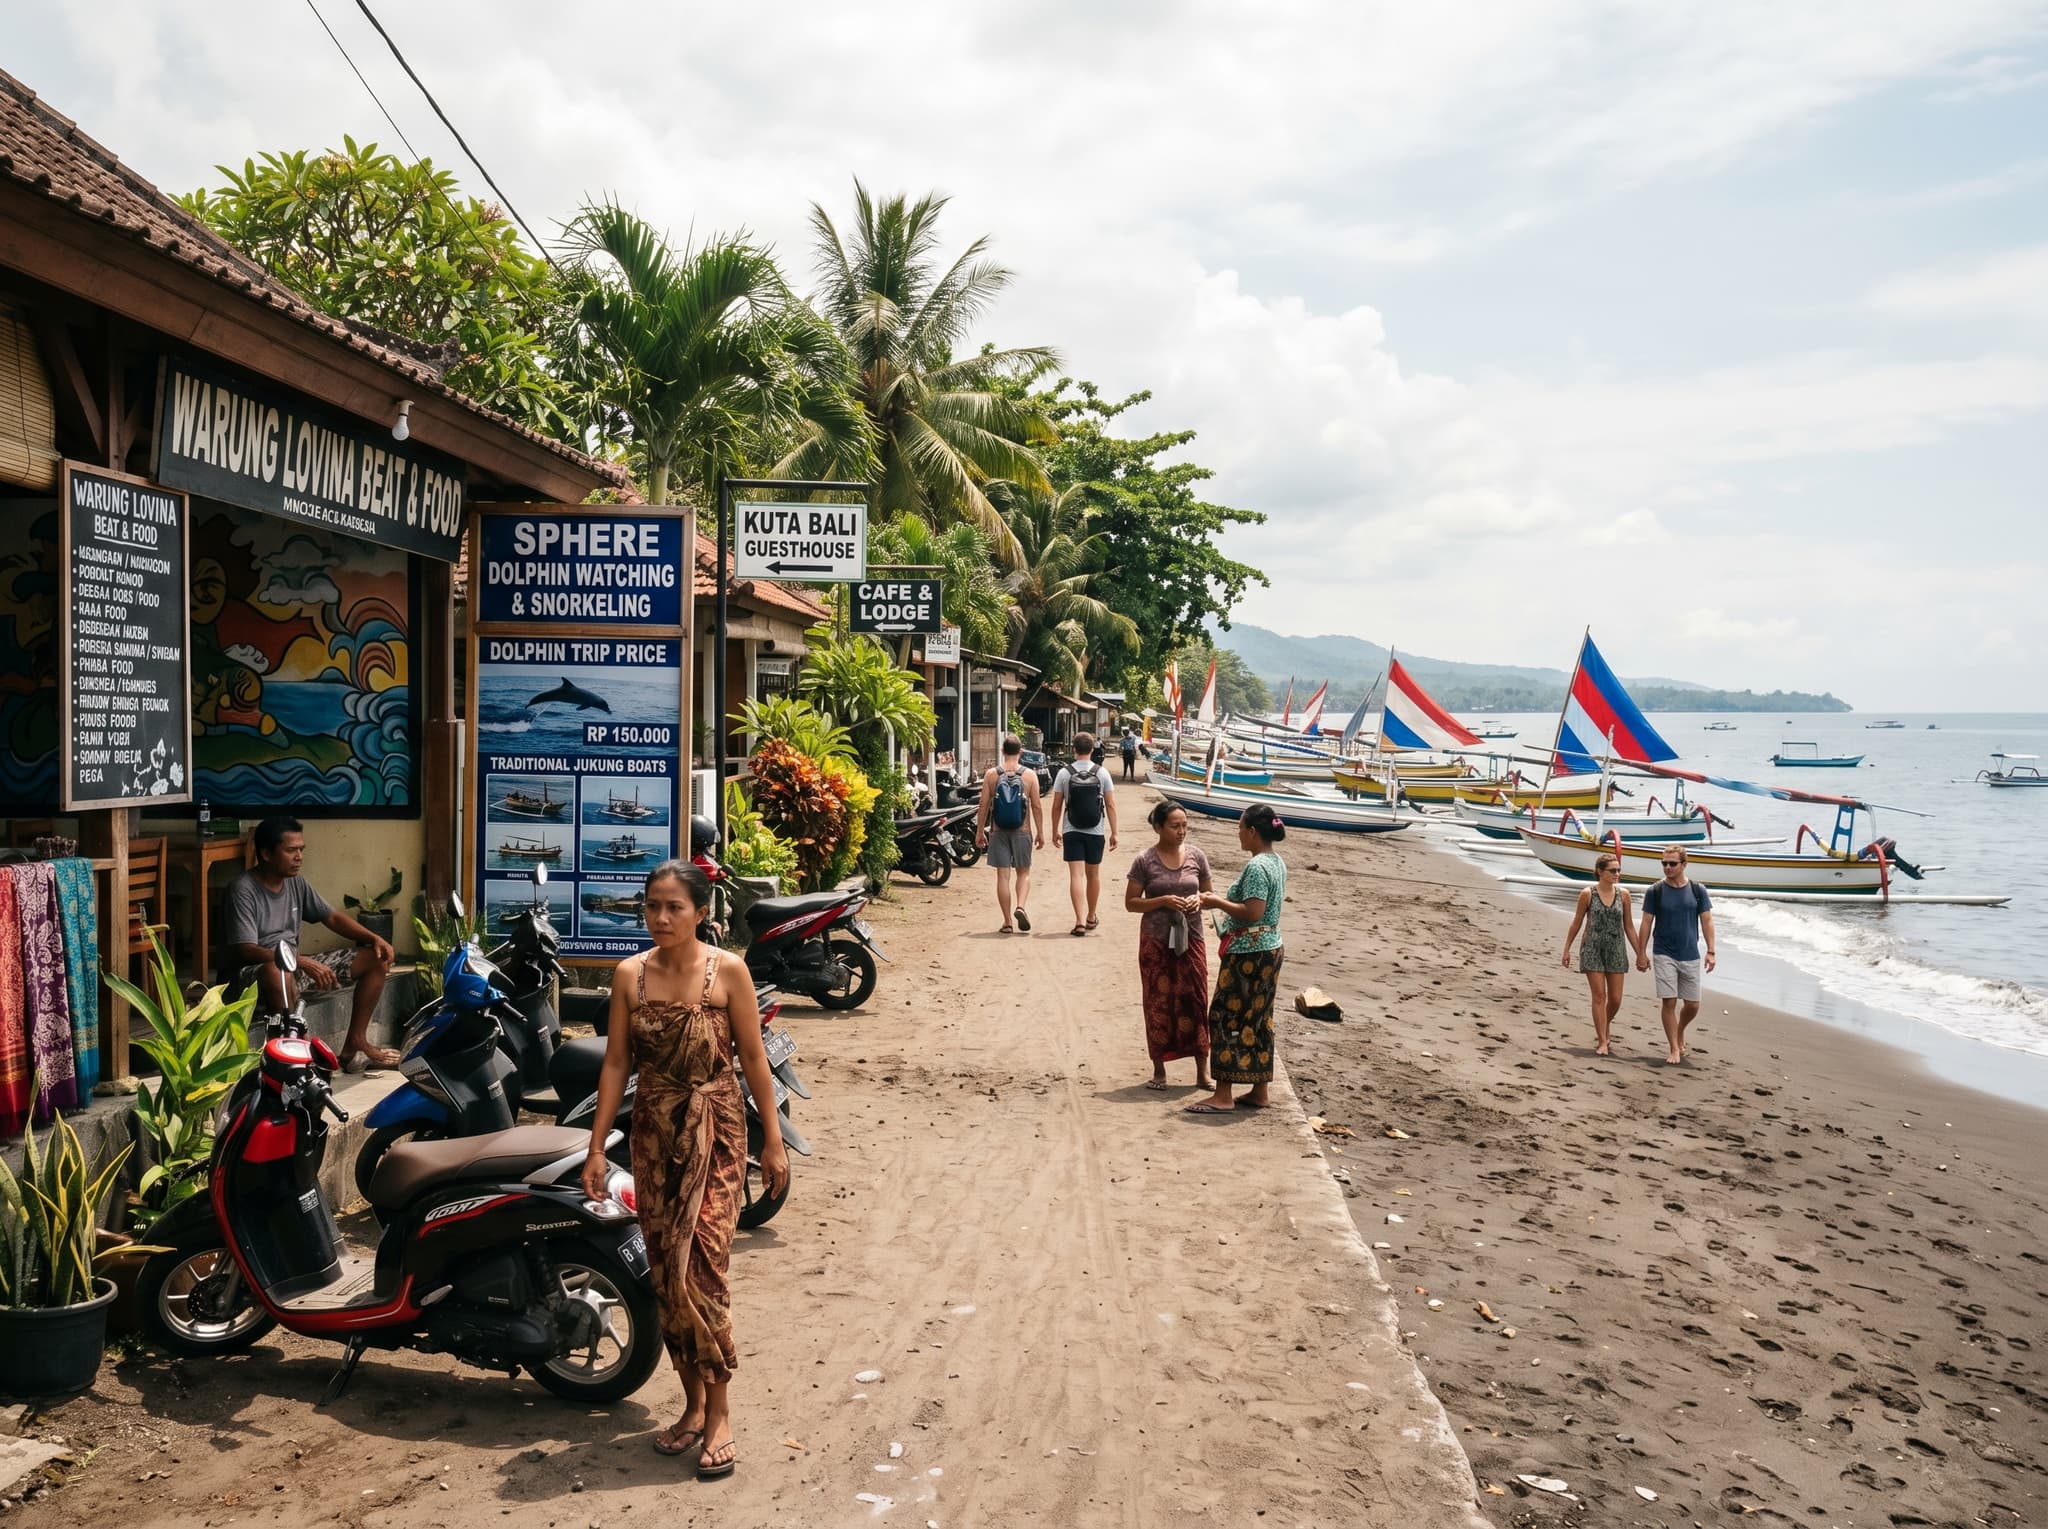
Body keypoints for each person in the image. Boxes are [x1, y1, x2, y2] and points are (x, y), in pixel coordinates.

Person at [581, 859, 789, 1479]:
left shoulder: (729, 971)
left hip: (718, 1129)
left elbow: (753, 1058)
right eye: (652, 906)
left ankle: (719, 1409)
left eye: (675, 907)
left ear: (701, 912)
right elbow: (616, 1064)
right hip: (654, 1135)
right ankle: (693, 1404)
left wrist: (772, 1143)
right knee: (666, 1270)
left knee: (702, 1265)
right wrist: (597, 1148)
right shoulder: (629, 976)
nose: (662, 918)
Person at [222, 816, 395, 1071]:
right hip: (253, 978)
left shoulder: (296, 883)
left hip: (293, 969)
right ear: (266, 853)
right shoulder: (243, 890)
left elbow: (332, 917)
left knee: (375, 959)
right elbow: (244, 949)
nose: (299, 856)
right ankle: (296, 1054)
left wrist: (374, 938)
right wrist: (298, 960)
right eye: (291, 850)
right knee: (276, 970)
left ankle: (354, 1044)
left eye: (302, 849)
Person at [1186, 803, 1288, 1114]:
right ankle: (1259, 1089)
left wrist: (1215, 901)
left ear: (1253, 832)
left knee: (1225, 1016)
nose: (1238, 832)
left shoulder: (1257, 867)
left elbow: (1253, 911)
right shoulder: (1276, 861)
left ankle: (1224, 1094)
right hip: (1270, 946)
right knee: (1258, 1018)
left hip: (1250, 952)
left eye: (1241, 827)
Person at [1125, 801, 1215, 1091]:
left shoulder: (1196, 857)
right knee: (1158, 1002)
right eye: (1175, 826)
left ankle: (1202, 1071)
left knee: (1197, 1000)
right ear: (1159, 827)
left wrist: (1198, 899)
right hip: (1155, 940)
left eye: (1184, 825)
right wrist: (1162, 901)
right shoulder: (1145, 861)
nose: (1181, 831)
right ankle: (1159, 1070)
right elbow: (1131, 903)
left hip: (1192, 938)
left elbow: (1209, 893)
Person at [1634, 845, 1717, 1065]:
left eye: (1672, 863)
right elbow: (1646, 922)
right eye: (1664, 863)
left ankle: (1680, 1031)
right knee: (1669, 1002)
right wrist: (1641, 953)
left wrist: (1711, 951)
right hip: (1663, 953)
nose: (1667, 867)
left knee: (1693, 1005)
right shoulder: (1656, 891)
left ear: (1684, 864)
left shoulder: (1698, 890)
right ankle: (1673, 1048)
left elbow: (1707, 921)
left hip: (1690, 953)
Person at [1560, 854, 1638, 1056]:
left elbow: (1629, 927)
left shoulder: (1624, 895)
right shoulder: (1588, 894)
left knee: (1616, 999)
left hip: (1616, 949)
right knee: (1599, 996)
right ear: (1600, 872)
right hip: (1592, 947)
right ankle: (1603, 1040)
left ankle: (1604, 1025)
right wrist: (1567, 948)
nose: (1617, 874)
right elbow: (1576, 922)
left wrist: (1640, 953)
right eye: (1613, 870)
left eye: (1619, 870)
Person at [1048, 733, 1119, 936]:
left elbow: (1056, 806)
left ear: (1074, 750)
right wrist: (1114, 832)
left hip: (1072, 829)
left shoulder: (1064, 773)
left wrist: (1055, 831)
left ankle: (1079, 921)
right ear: (1092, 750)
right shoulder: (1102, 772)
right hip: (1095, 831)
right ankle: (1091, 916)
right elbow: (1111, 805)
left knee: (1076, 875)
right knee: (1093, 875)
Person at [975, 734, 1045, 933]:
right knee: (1023, 873)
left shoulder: (991, 775)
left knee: (1002, 877)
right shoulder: (1030, 775)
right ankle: (1020, 906)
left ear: (1002, 751)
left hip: (998, 831)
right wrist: (1040, 833)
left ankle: (1007, 922)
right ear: (1020, 752)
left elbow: (983, 806)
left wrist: (980, 832)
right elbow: (1037, 807)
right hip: (1023, 831)